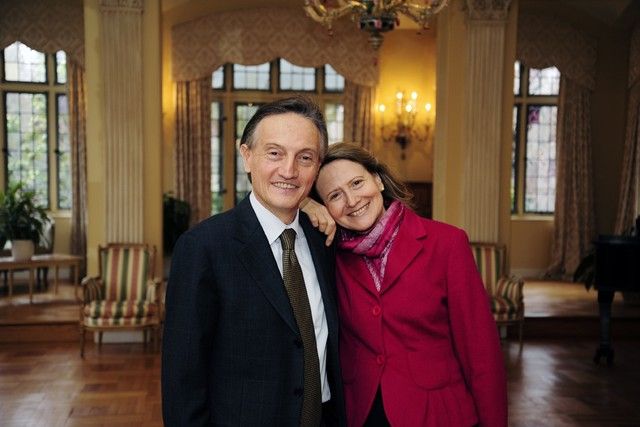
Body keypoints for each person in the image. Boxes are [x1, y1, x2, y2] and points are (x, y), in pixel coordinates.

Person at [162, 96, 346, 426]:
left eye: (305, 157)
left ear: (317, 167)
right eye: (274, 153)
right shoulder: (203, 248)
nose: (289, 171)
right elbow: (182, 380)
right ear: (246, 156)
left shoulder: (325, 240)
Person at [307, 142, 508, 427]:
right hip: (361, 413)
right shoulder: (328, 254)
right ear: (326, 208)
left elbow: (481, 352)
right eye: (335, 195)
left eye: (357, 183)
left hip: (436, 414)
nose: (351, 200)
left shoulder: (447, 243)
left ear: (377, 180)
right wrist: (304, 203)